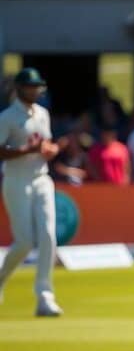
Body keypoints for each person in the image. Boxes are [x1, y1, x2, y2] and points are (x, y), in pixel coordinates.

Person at [0, 68, 63, 316]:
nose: (35, 91)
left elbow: (45, 143)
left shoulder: (43, 114)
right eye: (30, 86)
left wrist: (51, 150)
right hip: (17, 180)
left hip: (41, 178)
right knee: (25, 242)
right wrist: (27, 150)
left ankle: (45, 297)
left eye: (38, 86)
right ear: (19, 88)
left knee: (48, 235)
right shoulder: (7, 117)